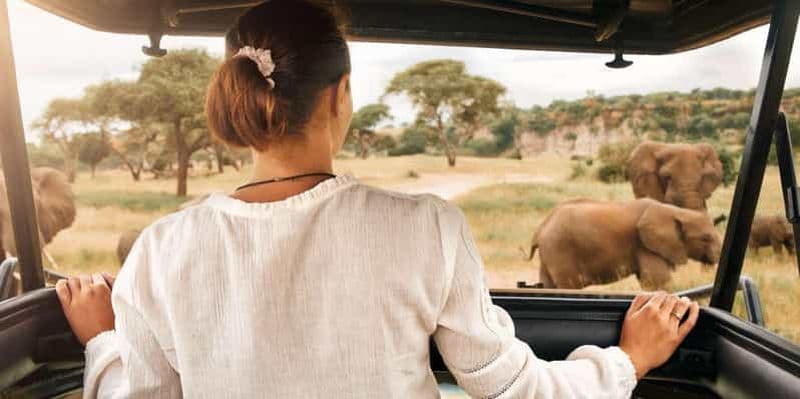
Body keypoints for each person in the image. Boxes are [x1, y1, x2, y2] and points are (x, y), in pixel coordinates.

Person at [56, 1, 700, 398]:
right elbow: (514, 389)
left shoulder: (162, 248)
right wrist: (627, 360)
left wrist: (102, 341)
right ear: (339, 97)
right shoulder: (426, 226)